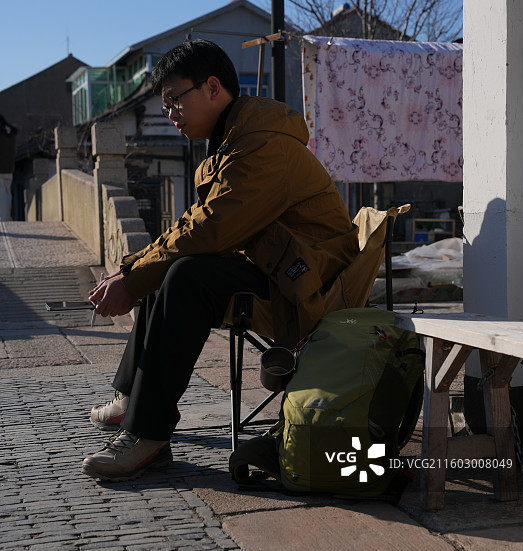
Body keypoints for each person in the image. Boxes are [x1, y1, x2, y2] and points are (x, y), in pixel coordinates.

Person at [82, 39, 359, 482]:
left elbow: (211, 229)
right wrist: (133, 272)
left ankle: (148, 435)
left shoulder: (261, 145)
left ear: (212, 87)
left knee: (187, 276)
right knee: (172, 269)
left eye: (176, 99)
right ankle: (132, 399)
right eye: (166, 103)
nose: (170, 112)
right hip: (280, 267)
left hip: (307, 283)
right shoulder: (234, 141)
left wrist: (132, 281)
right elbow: (197, 228)